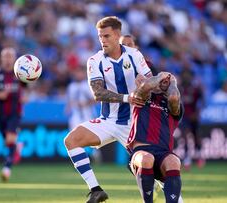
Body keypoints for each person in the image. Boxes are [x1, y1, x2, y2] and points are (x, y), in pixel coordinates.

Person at [64, 16, 152, 203]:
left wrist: (145, 85)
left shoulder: (134, 55)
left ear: (117, 35)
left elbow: (150, 82)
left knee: (157, 168)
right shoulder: (94, 61)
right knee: (71, 140)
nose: (102, 40)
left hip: (134, 123)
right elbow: (97, 93)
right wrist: (128, 97)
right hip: (108, 121)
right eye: (99, 36)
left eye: (106, 36)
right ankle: (96, 190)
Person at [127, 72, 184, 203]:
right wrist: (159, 77)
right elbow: (144, 87)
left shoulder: (174, 106)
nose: (164, 82)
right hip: (141, 151)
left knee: (174, 161)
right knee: (146, 158)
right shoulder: (144, 97)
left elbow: (174, 97)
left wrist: (173, 83)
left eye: (167, 82)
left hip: (163, 153)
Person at [0, 47, 26, 182]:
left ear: (14, 58)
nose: (8, 59)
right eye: (5, 56)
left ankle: (6, 169)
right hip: (1, 115)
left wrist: (25, 97)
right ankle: (17, 147)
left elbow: (27, 90)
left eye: (10, 56)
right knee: (8, 143)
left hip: (15, 113)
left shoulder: (20, 74)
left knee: (9, 140)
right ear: (1, 58)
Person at [65, 67, 102, 162]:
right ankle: (79, 159)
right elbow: (70, 100)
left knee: (90, 137)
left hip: (87, 115)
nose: (78, 75)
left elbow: (95, 99)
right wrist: (68, 108)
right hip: (75, 116)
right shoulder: (71, 86)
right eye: (77, 73)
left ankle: (95, 154)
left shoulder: (87, 85)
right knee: (73, 137)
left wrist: (85, 104)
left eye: (80, 72)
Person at [179, 69, 205, 170]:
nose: (186, 77)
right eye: (184, 75)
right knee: (185, 137)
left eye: (188, 75)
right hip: (184, 116)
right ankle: (187, 159)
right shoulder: (178, 88)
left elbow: (202, 100)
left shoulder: (195, 89)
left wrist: (198, 112)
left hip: (193, 116)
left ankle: (199, 155)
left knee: (196, 136)